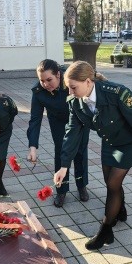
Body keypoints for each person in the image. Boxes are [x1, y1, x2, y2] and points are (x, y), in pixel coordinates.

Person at [53, 61, 132, 250]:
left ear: (88, 82)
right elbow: (71, 133)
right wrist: (64, 166)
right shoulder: (75, 102)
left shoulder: (116, 93)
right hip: (109, 143)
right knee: (111, 182)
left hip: (129, 142)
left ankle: (105, 231)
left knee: (112, 184)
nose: (70, 92)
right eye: (68, 87)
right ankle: (120, 210)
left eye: (73, 87)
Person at [27, 59, 90, 207]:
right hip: (58, 122)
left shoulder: (70, 80)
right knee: (61, 152)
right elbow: (35, 120)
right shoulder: (38, 92)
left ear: (59, 75)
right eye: (42, 81)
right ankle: (61, 190)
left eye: (49, 80)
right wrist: (33, 147)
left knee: (80, 151)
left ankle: (81, 185)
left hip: (79, 119)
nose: (45, 84)